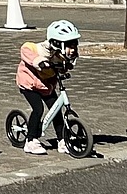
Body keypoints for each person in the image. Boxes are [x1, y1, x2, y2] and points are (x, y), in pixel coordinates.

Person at [15, 19, 80, 154]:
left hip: (46, 86)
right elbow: (26, 50)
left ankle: (62, 140)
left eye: (74, 45)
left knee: (56, 111)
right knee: (38, 109)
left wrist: (66, 66)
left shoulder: (60, 55)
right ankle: (30, 140)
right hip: (29, 84)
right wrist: (40, 62)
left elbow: (63, 67)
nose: (72, 49)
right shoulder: (38, 49)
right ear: (57, 43)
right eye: (69, 45)